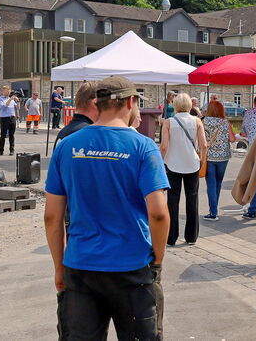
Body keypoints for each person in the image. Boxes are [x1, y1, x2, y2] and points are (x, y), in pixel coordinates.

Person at [44, 76, 169, 340]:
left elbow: (52, 217)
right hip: (132, 267)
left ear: (96, 103)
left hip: (81, 266)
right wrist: (157, 259)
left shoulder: (67, 145)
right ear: (131, 102)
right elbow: (158, 213)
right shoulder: (142, 146)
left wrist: (59, 267)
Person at [160, 93, 206, 246]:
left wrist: (161, 161)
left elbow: (164, 146)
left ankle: (171, 237)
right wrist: (202, 160)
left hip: (173, 163)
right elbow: (204, 145)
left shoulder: (168, 122)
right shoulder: (197, 121)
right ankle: (191, 236)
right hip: (192, 163)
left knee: (172, 201)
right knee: (192, 199)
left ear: (175, 105)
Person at [201, 100, 235, 221]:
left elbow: (200, 139)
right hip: (223, 157)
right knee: (218, 183)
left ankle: (213, 212)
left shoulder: (204, 121)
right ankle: (214, 209)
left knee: (211, 184)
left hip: (209, 157)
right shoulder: (225, 122)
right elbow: (232, 139)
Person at [0, 86, 19, 156]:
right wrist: (11, 99)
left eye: (9, 91)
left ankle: (12, 150)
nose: (8, 92)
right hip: (4, 118)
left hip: (12, 118)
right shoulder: (0, 99)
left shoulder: (11, 99)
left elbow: (17, 108)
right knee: (3, 135)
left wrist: (18, 101)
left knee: (12, 135)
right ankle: (1, 150)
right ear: (3, 91)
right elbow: (3, 107)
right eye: (7, 91)